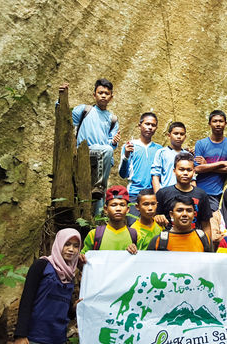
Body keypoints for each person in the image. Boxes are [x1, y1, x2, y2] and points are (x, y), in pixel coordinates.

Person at [13, 228, 82, 344]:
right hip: (36, 340)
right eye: (67, 244)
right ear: (59, 244)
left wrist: (76, 308)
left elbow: (65, 311)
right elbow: (27, 299)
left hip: (58, 341)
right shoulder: (42, 266)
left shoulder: (70, 275)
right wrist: (20, 335)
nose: (71, 249)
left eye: (76, 246)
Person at [68, 79, 120, 216]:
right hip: (85, 152)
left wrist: (113, 143)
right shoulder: (84, 110)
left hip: (102, 159)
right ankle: (100, 187)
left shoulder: (112, 119)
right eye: (100, 92)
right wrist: (61, 95)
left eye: (106, 93)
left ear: (111, 97)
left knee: (99, 198)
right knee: (94, 188)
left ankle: (96, 223)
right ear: (94, 95)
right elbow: (65, 113)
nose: (103, 95)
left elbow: (111, 146)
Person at [154, 152, 212, 241]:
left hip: (194, 241)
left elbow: (206, 224)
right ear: (174, 171)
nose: (185, 173)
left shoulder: (201, 194)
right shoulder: (163, 193)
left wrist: (208, 246)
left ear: (194, 171)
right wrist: (157, 217)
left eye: (189, 170)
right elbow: (152, 218)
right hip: (168, 241)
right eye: (181, 169)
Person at [119, 112, 162, 224]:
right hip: (134, 194)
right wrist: (126, 156)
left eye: (153, 125)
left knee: (154, 228)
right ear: (139, 125)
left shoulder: (159, 149)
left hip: (153, 195)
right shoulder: (130, 146)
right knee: (134, 226)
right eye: (147, 124)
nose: (150, 127)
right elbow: (123, 174)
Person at [194, 110, 227, 211]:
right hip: (199, 190)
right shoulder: (201, 144)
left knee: (212, 221)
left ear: (225, 123)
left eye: (221, 121)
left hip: (218, 192)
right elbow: (197, 169)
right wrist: (221, 163)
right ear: (209, 123)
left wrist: (207, 166)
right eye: (214, 121)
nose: (218, 124)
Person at [80, 186, 138, 256]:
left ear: (128, 209)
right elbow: (83, 260)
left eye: (122, 205)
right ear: (105, 209)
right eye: (113, 205)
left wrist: (134, 251)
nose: (118, 209)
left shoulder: (135, 235)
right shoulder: (95, 234)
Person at [146, 196, 212, 252]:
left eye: (189, 211)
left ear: (194, 214)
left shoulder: (204, 238)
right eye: (179, 210)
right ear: (171, 214)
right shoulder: (159, 240)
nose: (184, 214)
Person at [151, 121, 188, 192]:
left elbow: (192, 178)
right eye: (176, 133)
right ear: (169, 135)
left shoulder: (188, 155)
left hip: (184, 194)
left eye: (182, 134)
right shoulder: (161, 153)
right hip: (166, 193)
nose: (179, 137)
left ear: (185, 137)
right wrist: (158, 195)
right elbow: (155, 176)